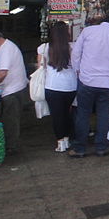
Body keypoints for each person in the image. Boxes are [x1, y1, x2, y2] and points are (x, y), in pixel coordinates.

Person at [69, 14, 109, 158]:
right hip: (107, 83)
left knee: (83, 114)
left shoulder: (87, 31)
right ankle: (101, 147)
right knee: (103, 114)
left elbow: (76, 54)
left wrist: (77, 71)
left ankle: (79, 149)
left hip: (87, 81)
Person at [37, 21, 78, 153]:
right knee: (67, 113)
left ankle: (60, 142)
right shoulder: (73, 47)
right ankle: (67, 138)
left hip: (52, 86)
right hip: (70, 86)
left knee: (57, 115)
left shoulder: (43, 48)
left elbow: (40, 67)